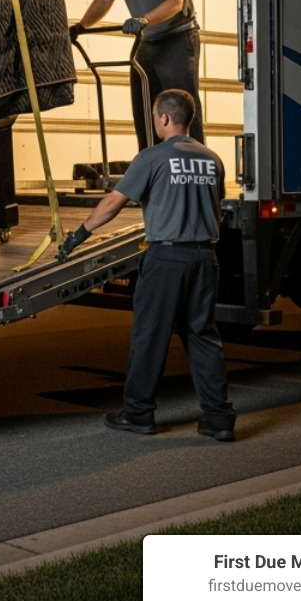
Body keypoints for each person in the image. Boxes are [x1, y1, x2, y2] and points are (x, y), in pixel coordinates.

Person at [57, 89, 236, 442]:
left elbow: (113, 203)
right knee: (202, 336)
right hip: (204, 257)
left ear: (164, 118)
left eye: (155, 117)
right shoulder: (212, 160)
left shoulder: (153, 157)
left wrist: (79, 234)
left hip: (166, 258)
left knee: (150, 336)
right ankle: (220, 419)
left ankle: (138, 414)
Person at [71, 0, 204, 149]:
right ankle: (151, 166)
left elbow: (175, 2)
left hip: (177, 39)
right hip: (147, 42)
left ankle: (193, 162)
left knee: (181, 107)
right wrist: (81, 25)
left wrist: (143, 19)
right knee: (144, 107)